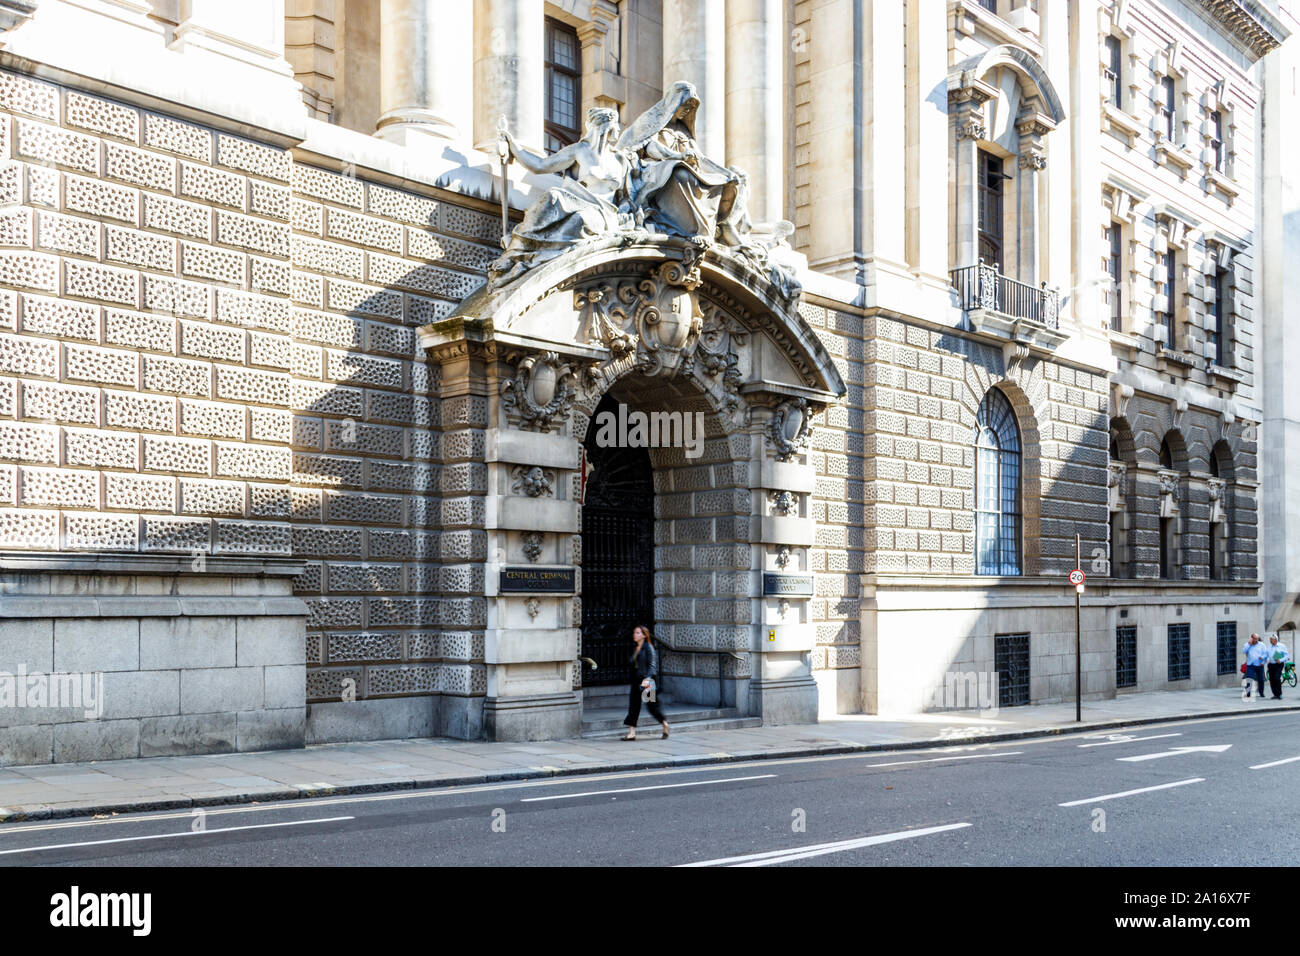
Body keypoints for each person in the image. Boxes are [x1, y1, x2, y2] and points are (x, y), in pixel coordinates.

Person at [490, 107, 635, 286]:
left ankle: (532, 258)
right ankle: (516, 252)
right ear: (605, 126)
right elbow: (540, 166)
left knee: (581, 220)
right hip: (581, 200)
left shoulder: (620, 159)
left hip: (605, 213)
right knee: (553, 196)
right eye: (616, 125)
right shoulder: (580, 150)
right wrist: (514, 145)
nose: (620, 130)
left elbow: (627, 197)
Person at [621, 624, 670, 741]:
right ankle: (631, 733)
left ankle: (664, 724)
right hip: (636, 680)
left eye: (637, 633)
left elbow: (652, 666)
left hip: (648, 680)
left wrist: (646, 681)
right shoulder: (636, 648)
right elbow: (632, 663)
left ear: (644, 635)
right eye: (634, 633)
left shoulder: (649, 648)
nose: (635, 635)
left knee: (652, 706)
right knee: (634, 705)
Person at [1243, 632, 1269, 699]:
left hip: (1259, 665)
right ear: (1252, 638)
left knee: (1261, 679)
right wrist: (1249, 644)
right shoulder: (1247, 644)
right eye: (1255, 638)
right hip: (1251, 665)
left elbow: (1265, 654)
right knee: (1249, 678)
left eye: (1257, 638)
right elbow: (1244, 651)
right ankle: (1248, 693)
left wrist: (1263, 661)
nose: (1256, 640)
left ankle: (1261, 692)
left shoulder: (1262, 645)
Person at [1267, 633, 1291, 699]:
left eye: (1271, 639)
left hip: (1279, 665)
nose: (1270, 641)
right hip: (1271, 665)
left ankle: (1279, 694)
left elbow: (1287, 656)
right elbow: (1266, 655)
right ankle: (1275, 694)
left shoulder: (1281, 646)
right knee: (1271, 679)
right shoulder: (1269, 647)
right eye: (1270, 639)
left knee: (1277, 678)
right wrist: (1267, 659)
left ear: (1275, 640)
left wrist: (1281, 660)